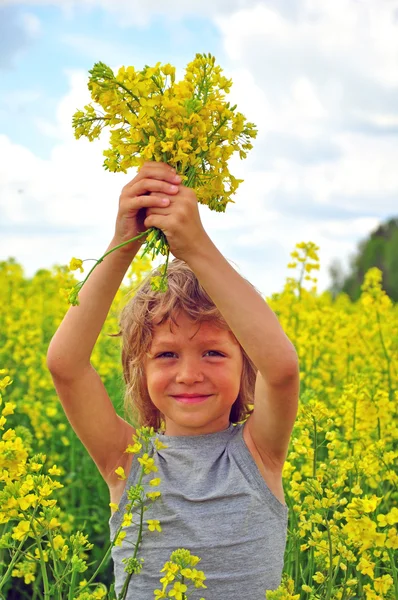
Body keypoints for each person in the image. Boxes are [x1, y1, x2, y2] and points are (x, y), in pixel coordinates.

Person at [46, 161, 300, 599]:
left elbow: (282, 371)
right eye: (165, 354)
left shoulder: (259, 453)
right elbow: (65, 366)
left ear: (246, 366)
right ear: (139, 371)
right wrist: (123, 243)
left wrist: (197, 246)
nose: (189, 374)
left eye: (214, 352)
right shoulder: (126, 460)